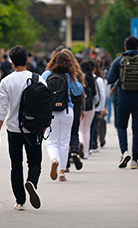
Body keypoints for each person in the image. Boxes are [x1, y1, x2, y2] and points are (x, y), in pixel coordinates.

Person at [0, 45, 45, 210]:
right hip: (33, 129)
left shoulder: (6, 81)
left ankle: (20, 201)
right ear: (27, 59)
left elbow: (1, 110)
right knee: (35, 163)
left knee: (16, 165)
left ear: (11, 62)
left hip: (13, 130)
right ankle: (32, 182)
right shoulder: (38, 79)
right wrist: (44, 127)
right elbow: (45, 106)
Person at [107, 36, 138, 169]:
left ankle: (124, 152)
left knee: (121, 126)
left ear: (125, 47)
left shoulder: (118, 61)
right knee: (136, 129)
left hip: (123, 97)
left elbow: (110, 79)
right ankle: (135, 160)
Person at [42, 49, 84, 182]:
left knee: (52, 142)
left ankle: (54, 160)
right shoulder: (69, 76)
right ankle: (61, 171)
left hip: (50, 112)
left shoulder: (46, 74)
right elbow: (78, 91)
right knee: (64, 142)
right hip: (67, 111)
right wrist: (75, 78)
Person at [78, 61, 97, 159]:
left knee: (80, 130)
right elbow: (95, 93)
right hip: (90, 107)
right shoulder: (92, 78)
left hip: (81, 106)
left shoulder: (79, 78)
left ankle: (80, 142)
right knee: (87, 130)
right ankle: (85, 153)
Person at [92, 58, 107, 150]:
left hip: (90, 105)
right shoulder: (100, 79)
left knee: (92, 125)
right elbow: (103, 93)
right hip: (98, 105)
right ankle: (101, 140)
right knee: (100, 122)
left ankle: (93, 142)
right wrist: (102, 107)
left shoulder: (87, 77)